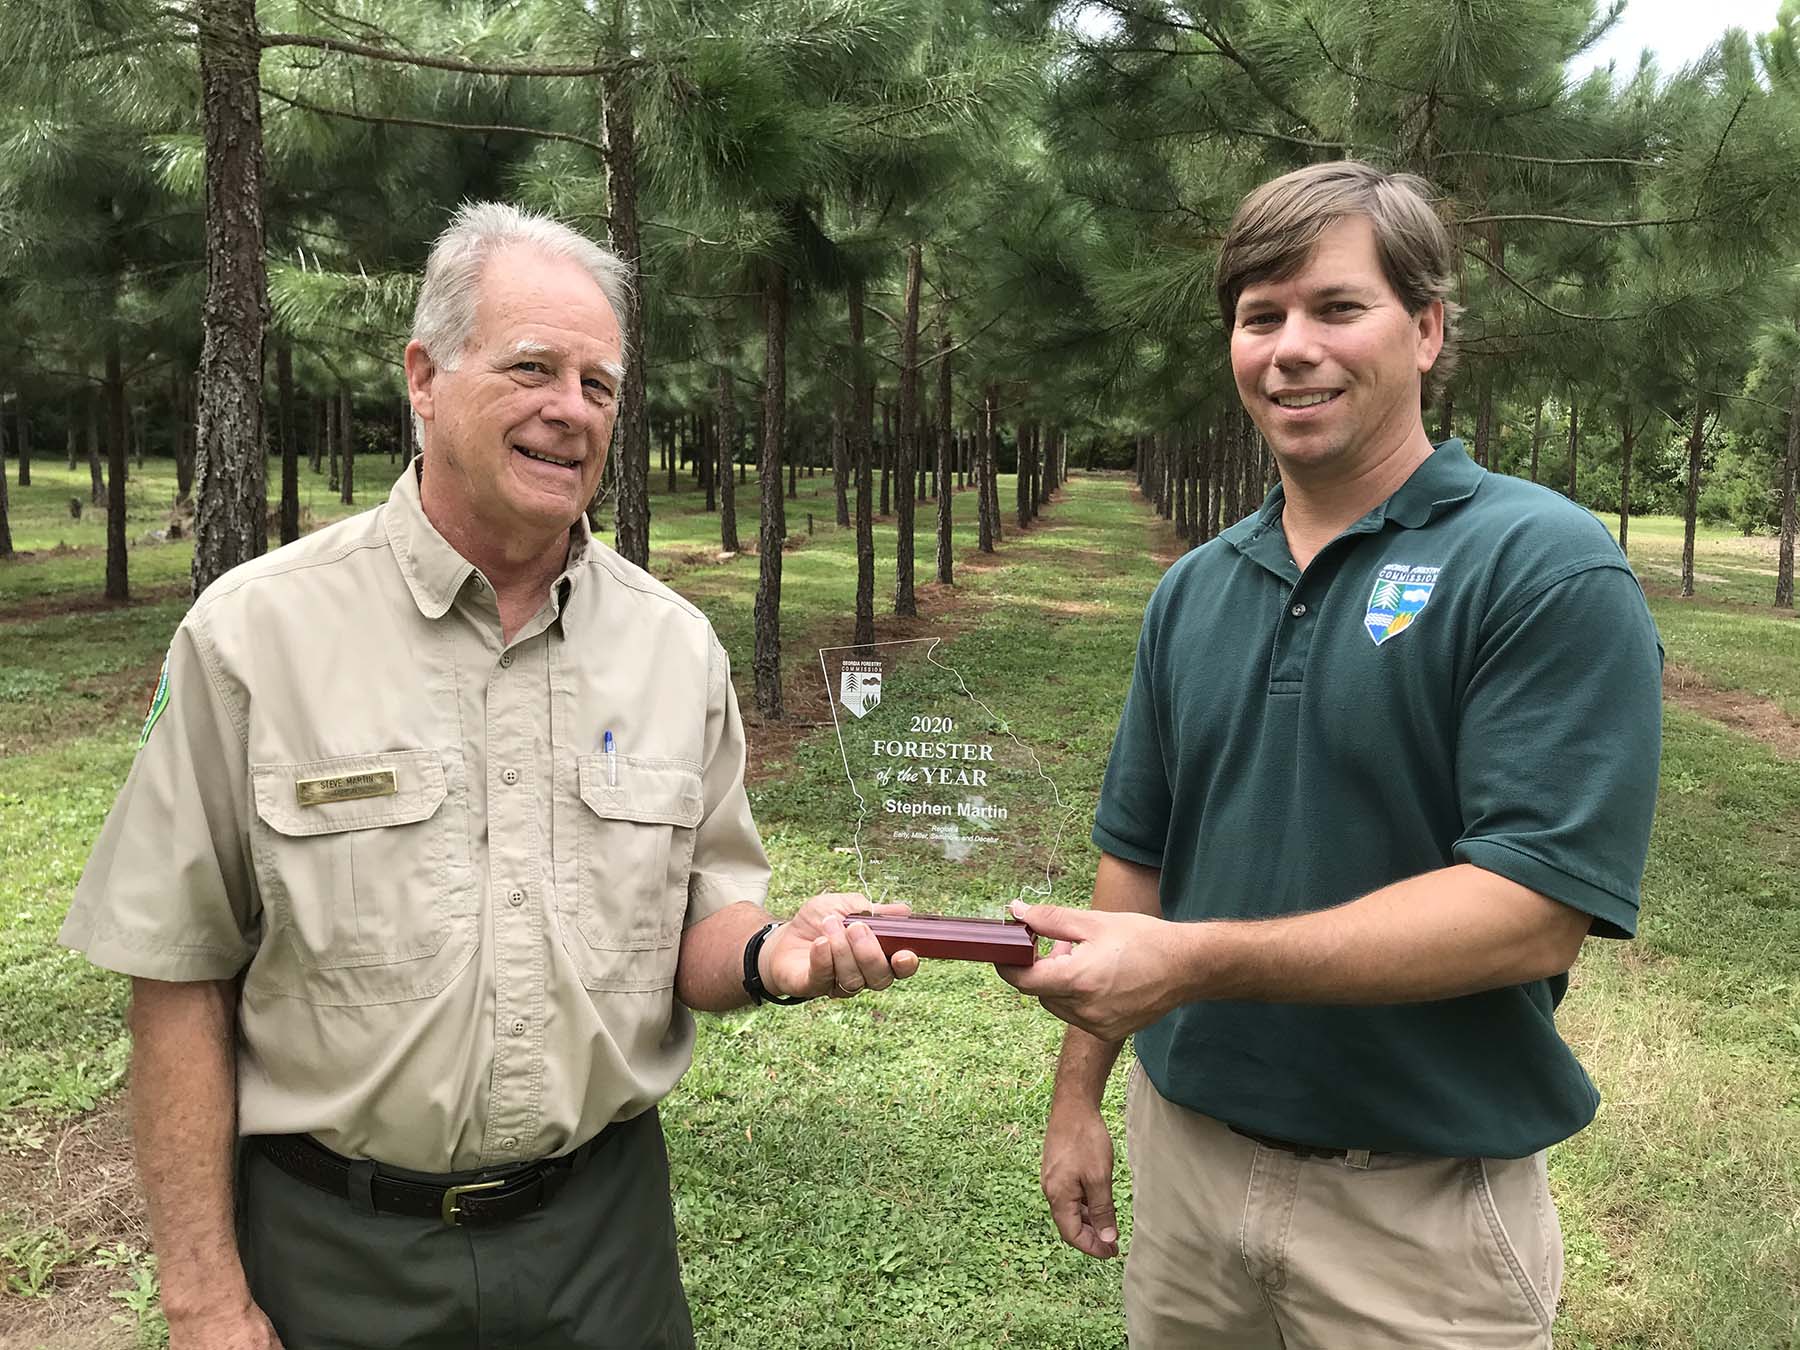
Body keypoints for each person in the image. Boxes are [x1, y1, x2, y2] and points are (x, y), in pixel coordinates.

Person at [59, 201, 917, 1350]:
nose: (570, 410)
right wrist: (205, 1299)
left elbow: (703, 931)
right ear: (425, 377)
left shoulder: (674, 651)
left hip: (603, 1249)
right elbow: (177, 974)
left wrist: (777, 953)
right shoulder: (253, 638)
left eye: (599, 384)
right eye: (531, 368)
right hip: (334, 1256)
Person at [1000, 161, 1662, 1349]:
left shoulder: (1542, 564)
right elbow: (1136, 863)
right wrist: (1077, 1101)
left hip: (1416, 1219)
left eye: (1335, 307)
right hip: (1187, 1175)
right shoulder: (1196, 589)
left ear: (1425, 328)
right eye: (1260, 318)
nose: (1291, 348)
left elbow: (1531, 908)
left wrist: (1196, 964)